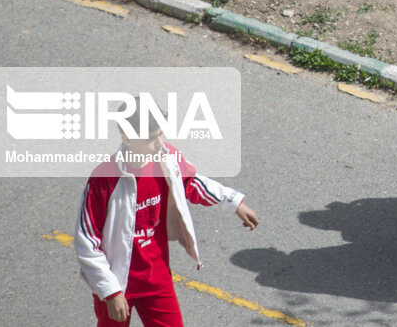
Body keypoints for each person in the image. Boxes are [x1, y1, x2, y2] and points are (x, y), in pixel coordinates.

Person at [75, 113, 259, 326]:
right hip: (118, 284)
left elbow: (192, 182)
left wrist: (234, 202)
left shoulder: (167, 159)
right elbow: (87, 241)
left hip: (157, 278)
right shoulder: (103, 179)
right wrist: (110, 291)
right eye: (152, 138)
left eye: (161, 134)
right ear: (127, 137)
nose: (160, 143)